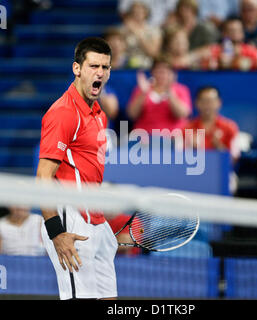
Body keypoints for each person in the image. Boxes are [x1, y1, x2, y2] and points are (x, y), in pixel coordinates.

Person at [36, 37, 118, 300]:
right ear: (77, 68)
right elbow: (43, 178)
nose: (100, 73)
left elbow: (87, 171)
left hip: (96, 219)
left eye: (105, 68)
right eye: (94, 66)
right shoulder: (63, 113)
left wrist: (100, 223)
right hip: (69, 220)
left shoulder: (99, 114)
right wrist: (56, 233)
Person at [127, 57, 192, 137]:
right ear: (152, 72)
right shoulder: (142, 89)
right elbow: (132, 115)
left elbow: (182, 114)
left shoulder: (181, 90)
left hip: (174, 137)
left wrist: (170, 92)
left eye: (166, 71)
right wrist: (143, 93)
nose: (162, 74)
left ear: (173, 74)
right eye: (159, 70)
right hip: (144, 137)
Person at [183, 86, 240, 163]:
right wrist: (190, 147)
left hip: (221, 172)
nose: (207, 105)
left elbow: (234, 160)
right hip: (194, 172)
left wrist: (218, 146)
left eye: (211, 101)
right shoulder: (187, 128)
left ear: (219, 102)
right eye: (204, 101)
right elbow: (179, 160)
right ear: (197, 103)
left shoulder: (230, 127)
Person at [120, 1, 162, 69]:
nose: (137, 14)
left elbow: (153, 53)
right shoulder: (123, 30)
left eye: (140, 11)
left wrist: (136, 32)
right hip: (126, 65)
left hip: (148, 66)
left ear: (146, 13)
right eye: (134, 12)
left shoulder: (154, 30)